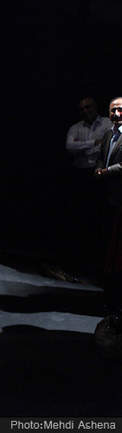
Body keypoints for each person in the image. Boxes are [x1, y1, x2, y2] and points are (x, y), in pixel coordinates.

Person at [63, 97, 112, 272]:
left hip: (100, 174)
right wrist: (93, 143)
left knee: (99, 217)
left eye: (88, 107)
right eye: (82, 108)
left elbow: (108, 145)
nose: (85, 111)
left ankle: (96, 263)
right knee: (79, 216)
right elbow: (69, 146)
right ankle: (77, 260)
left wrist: (83, 148)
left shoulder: (107, 123)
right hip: (80, 174)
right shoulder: (75, 127)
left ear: (95, 106)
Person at [95, 97, 122, 316]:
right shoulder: (107, 134)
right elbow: (101, 156)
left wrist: (106, 171)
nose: (116, 114)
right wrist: (98, 168)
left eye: (120, 110)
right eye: (113, 110)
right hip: (107, 194)